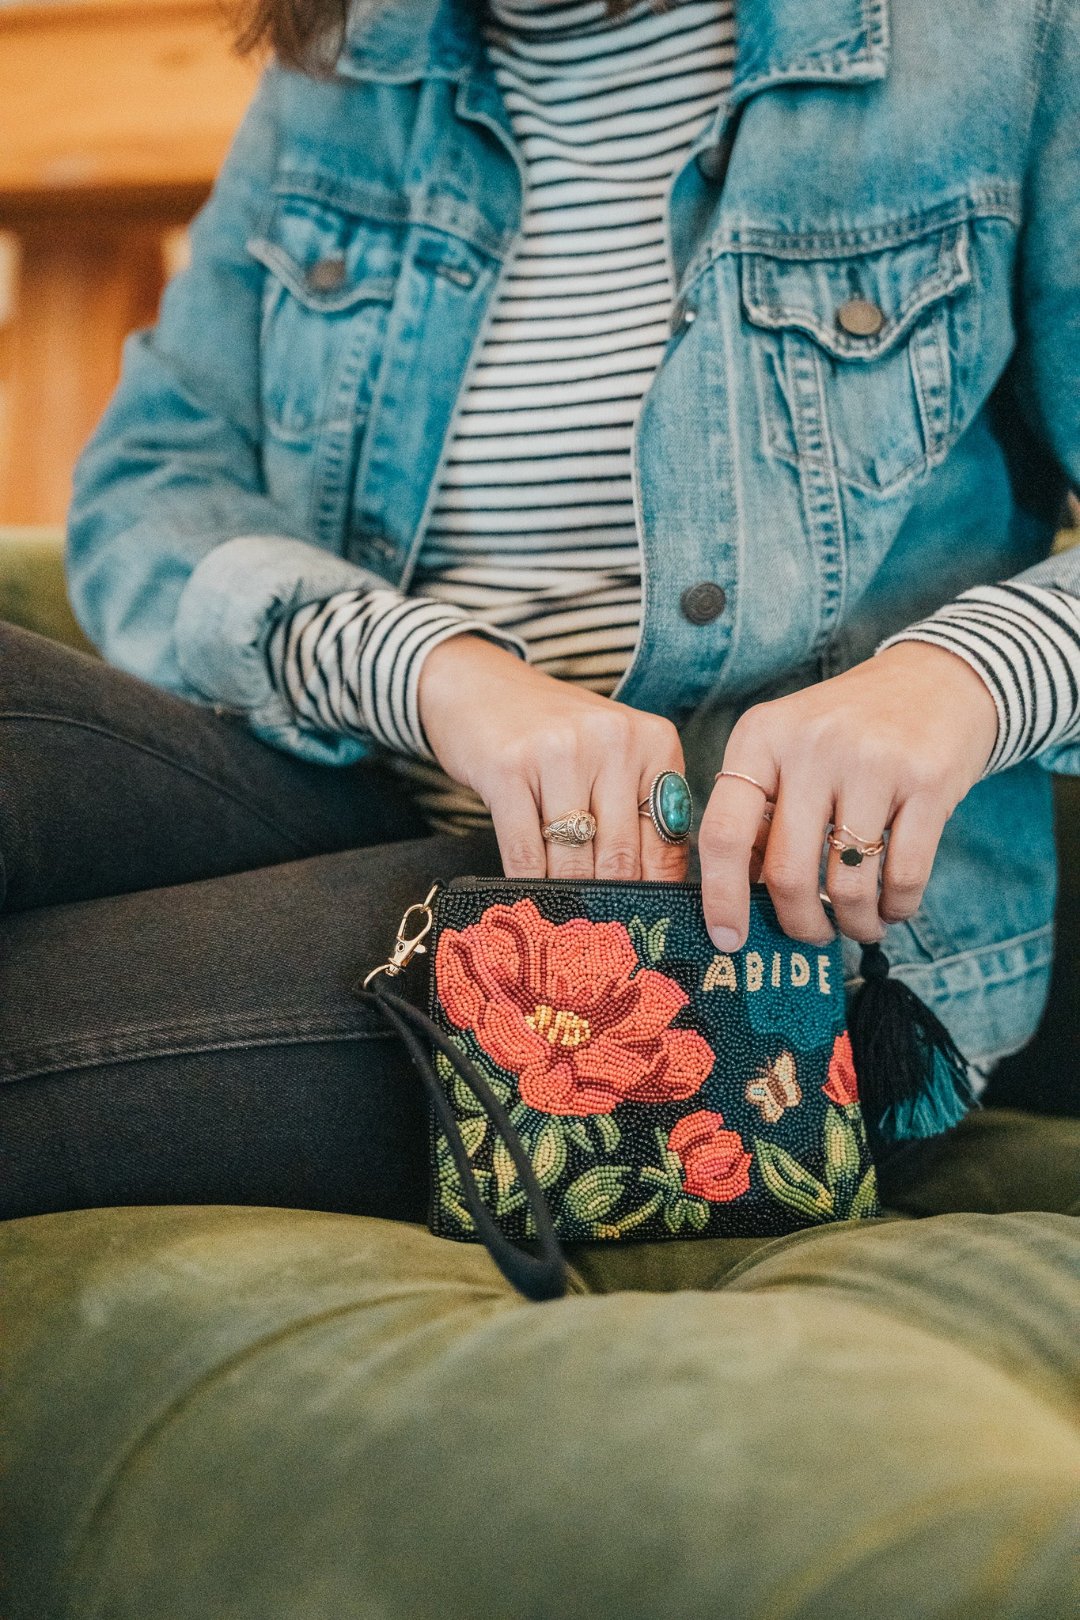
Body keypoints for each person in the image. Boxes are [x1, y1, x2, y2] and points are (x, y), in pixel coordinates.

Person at [1, 0, 1077, 1223]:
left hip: (757, 954)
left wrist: (963, 679)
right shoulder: (357, 54)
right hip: (350, 800)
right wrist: (429, 674)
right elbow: (153, 482)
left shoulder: (1008, 39)